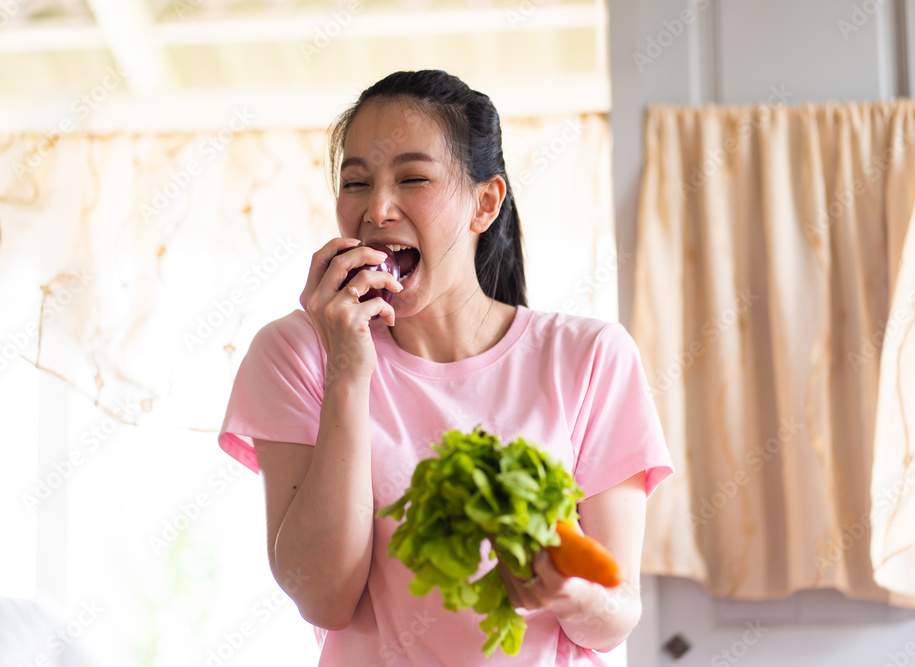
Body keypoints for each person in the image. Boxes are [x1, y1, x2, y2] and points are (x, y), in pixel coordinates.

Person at [217, 69, 673, 665]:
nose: (377, 209)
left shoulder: (589, 358)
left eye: (413, 178)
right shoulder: (297, 353)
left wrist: (569, 590)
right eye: (356, 182)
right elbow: (324, 597)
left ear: (484, 203)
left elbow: (614, 617)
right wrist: (348, 373)